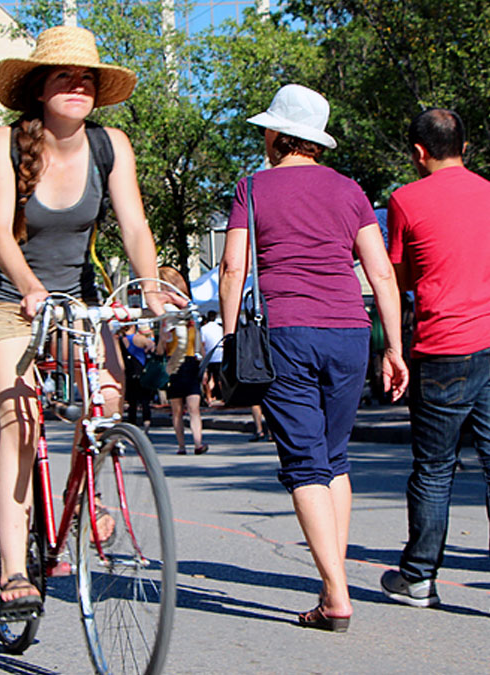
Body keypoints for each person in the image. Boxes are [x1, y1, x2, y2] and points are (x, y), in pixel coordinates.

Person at [0, 25, 167, 618]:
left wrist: (154, 289)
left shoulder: (112, 145)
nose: (78, 86)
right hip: (8, 300)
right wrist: (29, 287)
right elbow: (0, 232)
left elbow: (133, 226)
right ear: (39, 88)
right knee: (23, 422)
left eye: (87, 78)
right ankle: (13, 571)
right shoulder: (4, 142)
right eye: (65, 76)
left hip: (77, 302)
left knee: (107, 401)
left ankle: (86, 498)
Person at [219, 84, 408, 631]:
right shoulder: (350, 190)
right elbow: (380, 276)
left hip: (286, 333)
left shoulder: (251, 188)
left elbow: (234, 269)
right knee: (334, 458)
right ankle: (333, 583)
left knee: (305, 464)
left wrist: (232, 342)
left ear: (279, 135)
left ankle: (336, 593)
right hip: (350, 331)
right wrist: (393, 347)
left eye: (265, 131)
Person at [379, 109, 490, 608]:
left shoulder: (404, 199)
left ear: (419, 153)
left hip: (441, 348)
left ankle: (419, 577)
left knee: (434, 468)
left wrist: (393, 346)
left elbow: (398, 278)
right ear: (465, 147)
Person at [158, 265, 207, 455]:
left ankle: (197, 443)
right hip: (174, 362)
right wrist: (162, 336)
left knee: (194, 407)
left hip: (191, 362)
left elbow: (199, 342)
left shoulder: (190, 313)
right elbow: (161, 348)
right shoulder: (167, 315)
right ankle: (181, 445)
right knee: (177, 408)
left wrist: (204, 366)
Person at [120, 321, 155, 433]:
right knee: (145, 402)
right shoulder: (138, 338)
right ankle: (146, 424)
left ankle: (132, 426)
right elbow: (151, 345)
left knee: (132, 403)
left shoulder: (121, 340)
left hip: (128, 374)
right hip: (141, 371)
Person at [200, 311, 223, 406]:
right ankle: (223, 397)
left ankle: (209, 398)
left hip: (209, 356)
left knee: (207, 378)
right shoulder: (220, 328)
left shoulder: (203, 329)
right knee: (220, 378)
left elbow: (202, 343)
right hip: (220, 355)